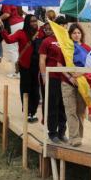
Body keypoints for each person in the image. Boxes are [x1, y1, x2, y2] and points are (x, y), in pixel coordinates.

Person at [1, 14, 43, 122]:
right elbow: (9, 40)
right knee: (26, 89)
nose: (34, 23)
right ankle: (28, 112)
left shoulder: (40, 34)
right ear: (27, 23)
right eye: (32, 21)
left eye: (35, 21)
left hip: (36, 66)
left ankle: (32, 113)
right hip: (25, 66)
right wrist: (2, 29)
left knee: (35, 90)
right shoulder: (21, 33)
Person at [61, 23, 90, 147]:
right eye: (74, 33)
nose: (76, 35)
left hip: (82, 82)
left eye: (78, 33)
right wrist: (70, 76)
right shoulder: (66, 47)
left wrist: (80, 74)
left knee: (81, 111)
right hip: (67, 82)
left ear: (82, 34)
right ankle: (74, 137)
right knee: (70, 109)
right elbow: (60, 65)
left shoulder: (87, 48)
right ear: (70, 35)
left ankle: (80, 135)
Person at [40, 15, 68, 144]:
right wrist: (44, 76)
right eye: (62, 26)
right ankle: (52, 132)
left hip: (65, 78)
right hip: (52, 77)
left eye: (65, 27)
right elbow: (42, 60)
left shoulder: (68, 41)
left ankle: (62, 131)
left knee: (64, 105)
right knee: (53, 105)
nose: (64, 29)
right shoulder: (47, 41)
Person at [0, 5, 25, 78]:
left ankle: (16, 72)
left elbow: (7, 14)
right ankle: (20, 72)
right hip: (21, 23)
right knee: (18, 49)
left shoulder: (7, 0)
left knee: (12, 49)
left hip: (13, 24)